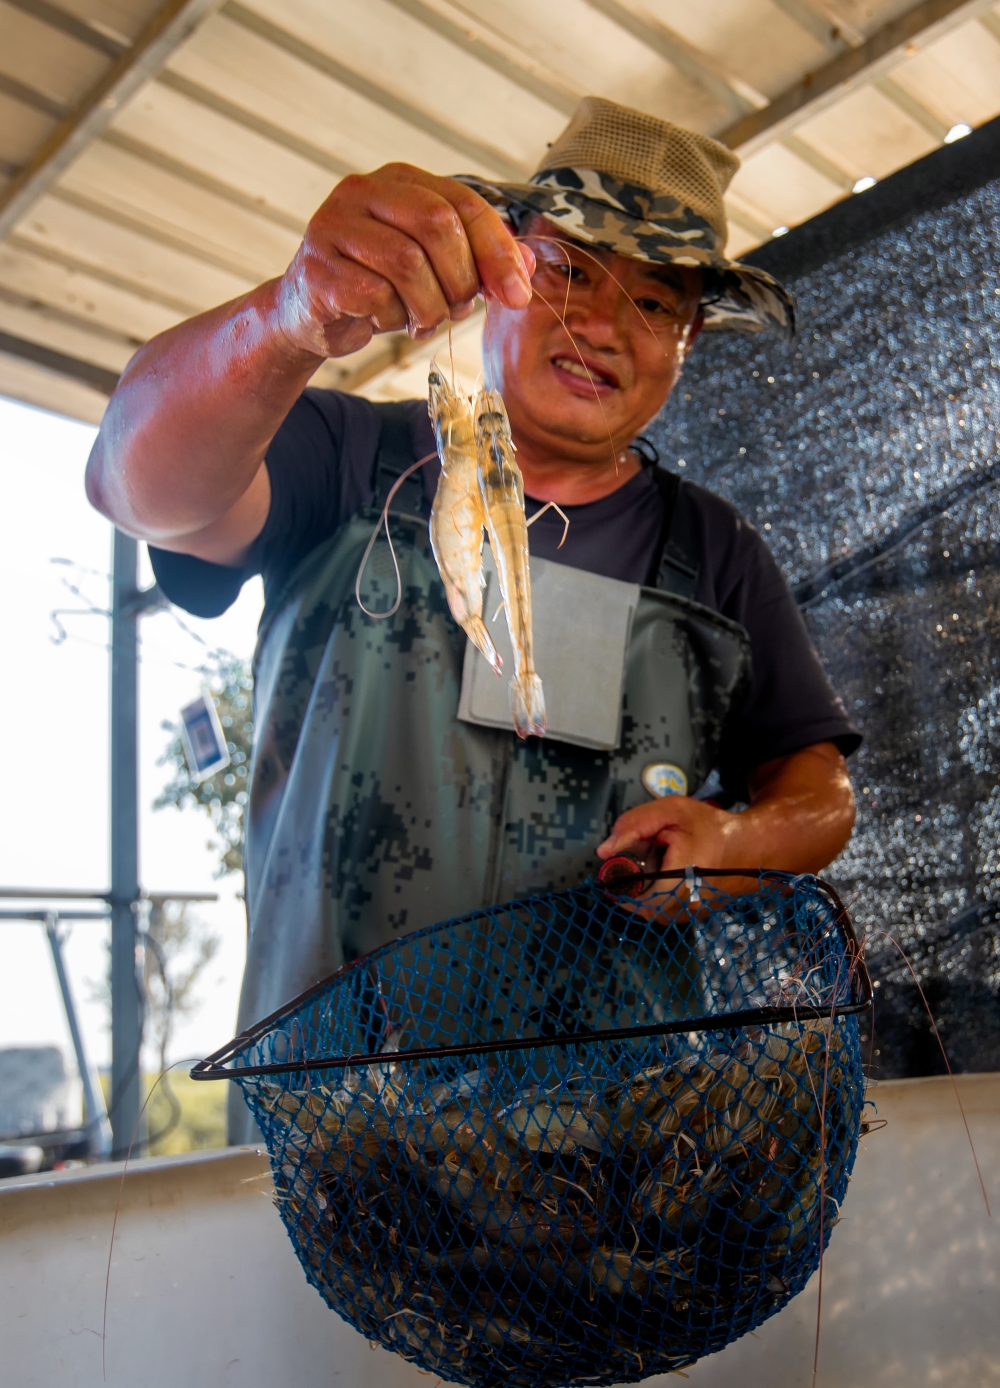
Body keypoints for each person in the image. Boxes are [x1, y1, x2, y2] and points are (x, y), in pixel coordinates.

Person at [86, 97, 858, 1140]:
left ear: (687, 338)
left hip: (614, 1141)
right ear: (500, 274)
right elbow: (137, 487)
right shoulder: (345, 453)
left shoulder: (714, 551)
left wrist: (736, 837)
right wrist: (287, 316)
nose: (599, 325)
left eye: (654, 302)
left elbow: (820, 790)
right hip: (335, 1133)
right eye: (568, 269)